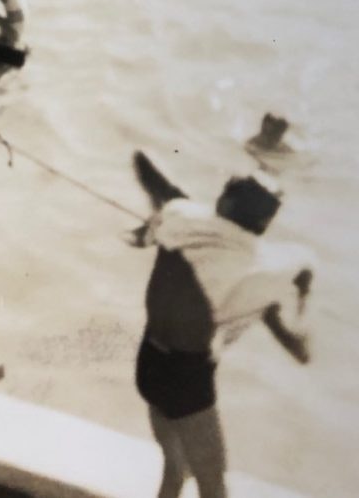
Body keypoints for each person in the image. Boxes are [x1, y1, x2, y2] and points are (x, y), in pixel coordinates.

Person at [131, 151, 312, 498]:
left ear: (221, 200)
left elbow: (146, 169)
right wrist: (302, 308)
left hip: (149, 364)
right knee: (213, 486)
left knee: (175, 469)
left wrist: (149, 226)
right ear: (262, 227)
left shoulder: (179, 214)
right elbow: (302, 275)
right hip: (187, 380)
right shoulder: (257, 265)